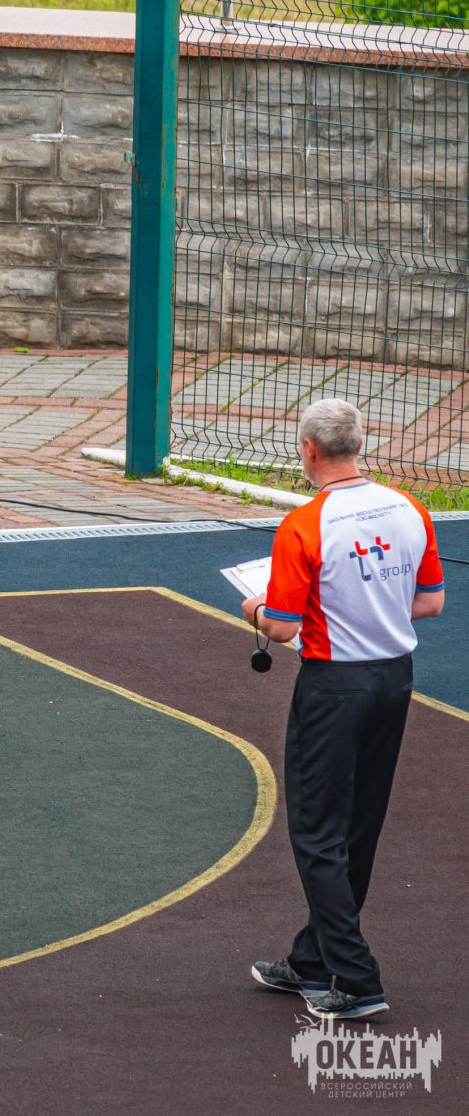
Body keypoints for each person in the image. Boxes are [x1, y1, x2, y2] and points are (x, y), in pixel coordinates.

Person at [242, 398, 444, 1020]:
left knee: (316, 831)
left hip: (334, 688)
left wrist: (253, 609)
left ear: (308, 450)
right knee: (358, 825)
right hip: (394, 680)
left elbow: (280, 627)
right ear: (359, 444)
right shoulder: (409, 508)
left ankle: (357, 979)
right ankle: (312, 959)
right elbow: (429, 603)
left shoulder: (305, 524)